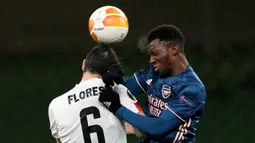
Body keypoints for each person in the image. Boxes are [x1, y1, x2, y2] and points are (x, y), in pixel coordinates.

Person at [99, 24, 207, 143]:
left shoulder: (192, 89)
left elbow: (158, 127)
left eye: (155, 54)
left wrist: (117, 108)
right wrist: (115, 78)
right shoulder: (154, 71)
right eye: (150, 55)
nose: (151, 60)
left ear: (174, 50)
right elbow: (126, 87)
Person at [48, 45, 142, 143]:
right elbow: (143, 129)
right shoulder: (117, 90)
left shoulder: (56, 104)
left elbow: (59, 140)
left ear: (84, 64)